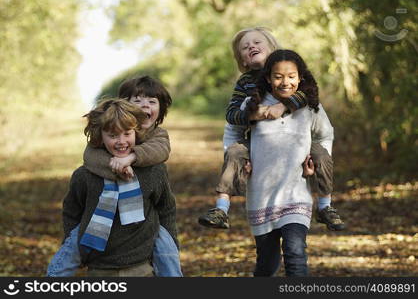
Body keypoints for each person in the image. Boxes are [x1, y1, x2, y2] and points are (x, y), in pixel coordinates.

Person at [198, 27, 344, 231]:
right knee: (234, 152)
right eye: (245, 47)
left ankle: (325, 206)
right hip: (257, 143)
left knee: (321, 154)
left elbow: (308, 93)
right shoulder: (245, 83)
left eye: (257, 42)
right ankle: (221, 208)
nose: (251, 47)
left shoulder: (289, 70)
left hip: (298, 143)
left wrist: (283, 105)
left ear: (272, 48)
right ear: (243, 61)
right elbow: (231, 116)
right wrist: (254, 115)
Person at [47, 78, 181, 277]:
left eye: (152, 102)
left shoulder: (158, 140)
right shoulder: (92, 162)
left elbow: (166, 205)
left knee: (166, 247)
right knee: (74, 241)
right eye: (138, 100)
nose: (145, 106)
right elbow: (90, 155)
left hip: (143, 231)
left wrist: (131, 158)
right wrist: (116, 169)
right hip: (104, 195)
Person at [247, 49, 335, 276]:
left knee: (296, 255)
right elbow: (233, 133)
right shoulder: (253, 104)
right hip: (261, 193)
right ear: (268, 78)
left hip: (297, 193)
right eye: (278, 76)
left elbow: (325, 135)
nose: (285, 82)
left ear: (300, 77)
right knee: (266, 264)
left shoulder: (309, 105)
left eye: (291, 76)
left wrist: (316, 160)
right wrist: (241, 160)